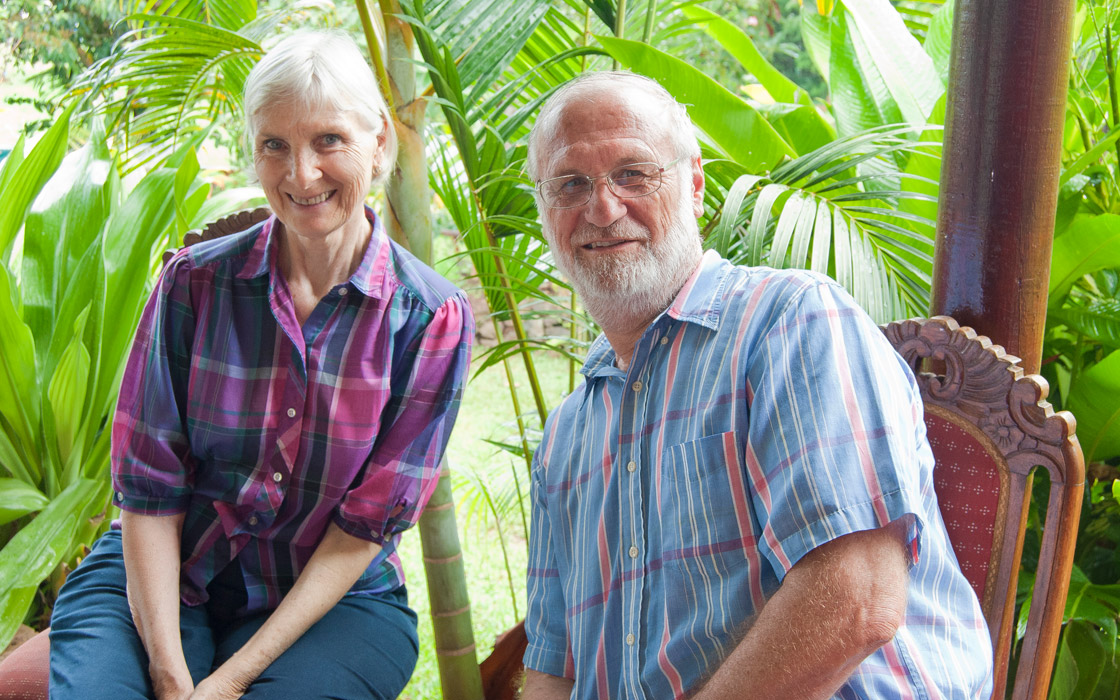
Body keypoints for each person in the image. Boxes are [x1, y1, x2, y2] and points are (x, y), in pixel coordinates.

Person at [520, 71, 993, 700]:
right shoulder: (567, 436)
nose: (603, 208)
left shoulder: (791, 324)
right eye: (571, 184)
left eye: (634, 173)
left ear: (693, 186)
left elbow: (856, 599)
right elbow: (553, 669)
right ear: (546, 212)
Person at [48, 30, 473, 700]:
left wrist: (231, 680)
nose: (301, 174)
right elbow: (148, 488)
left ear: (380, 143)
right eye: (274, 144)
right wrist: (168, 671)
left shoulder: (430, 320)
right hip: (160, 581)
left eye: (329, 140)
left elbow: (365, 527)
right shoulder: (193, 284)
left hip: (332, 604)